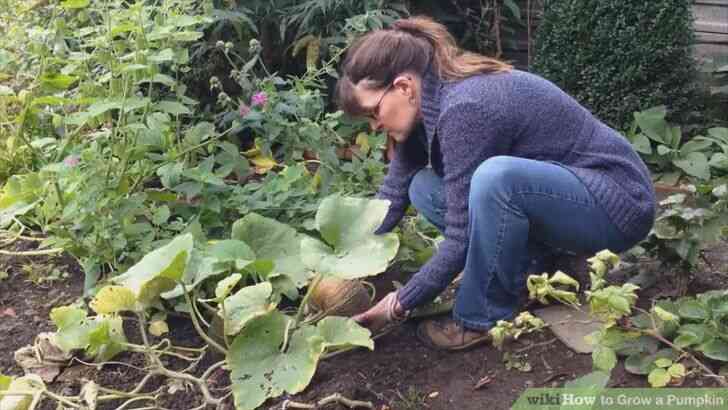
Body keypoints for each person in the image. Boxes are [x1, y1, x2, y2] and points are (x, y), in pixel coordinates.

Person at [336, 16, 655, 350]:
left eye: (374, 113)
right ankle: (543, 266)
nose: (373, 126)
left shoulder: (464, 107)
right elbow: (392, 195)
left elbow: (461, 238)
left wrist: (397, 305)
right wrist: (343, 263)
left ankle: (479, 318)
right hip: (570, 199)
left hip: (618, 204)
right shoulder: (426, 101)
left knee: (495, 179)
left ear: (403, 87)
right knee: (423, 187)